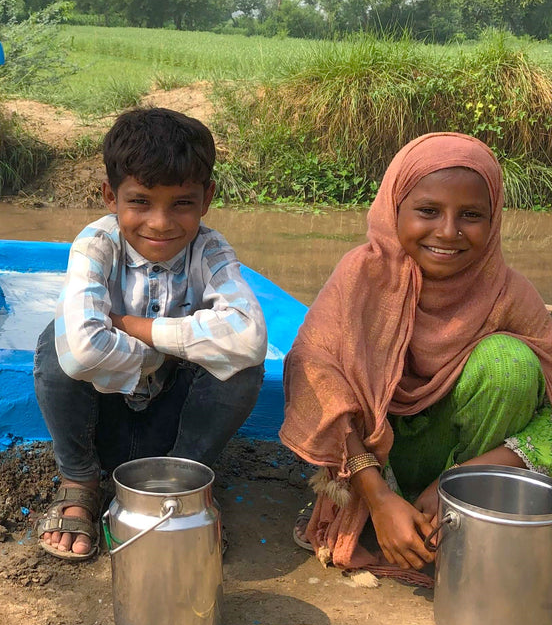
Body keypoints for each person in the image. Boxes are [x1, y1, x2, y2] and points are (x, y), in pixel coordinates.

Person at [281, 132, 552, 575]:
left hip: (459, 458)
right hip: (371, 461)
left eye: (471, 215)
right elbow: (313, 375)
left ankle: (456, 514)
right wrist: (377, 493)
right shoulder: (361, 277)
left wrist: (459, 480)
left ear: (495, 218)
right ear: (394, 209)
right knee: (324, 365)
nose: (448, 232)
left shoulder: (507, 292)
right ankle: (373, 512)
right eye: (428, 211)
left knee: (510, 364)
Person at [33, 108, 268, 560]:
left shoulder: (211, 250)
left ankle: (182, 485)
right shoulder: (96, 245)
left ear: (206, 198)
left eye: (181, 203)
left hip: (177, 430)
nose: (160, 223)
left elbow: (249, 337)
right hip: (103, 419)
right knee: (54, 342)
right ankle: (80, 482)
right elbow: (82, 353)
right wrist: (165, 352)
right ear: (110, 196)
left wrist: (135, 327)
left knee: (242, 365)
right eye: (140, 201)